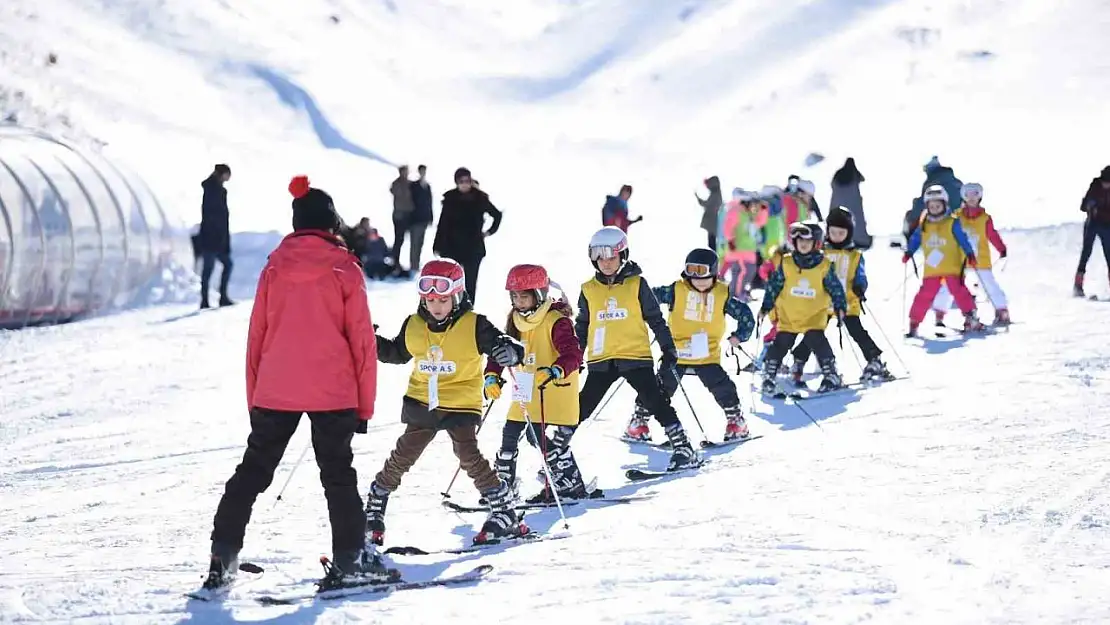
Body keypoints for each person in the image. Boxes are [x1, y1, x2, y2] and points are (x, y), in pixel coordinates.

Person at [204, 176, 380, 590]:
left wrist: (256, 398)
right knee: (337, 475)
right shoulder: (345, 267)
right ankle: (350, 560)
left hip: (275, 389)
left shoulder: (274, 267)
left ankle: (221, 554)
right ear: (330, 222)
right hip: (333, 390)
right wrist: (365, 406)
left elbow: (256, 337)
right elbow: (362, 342)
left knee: (252, 472)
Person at [363, 259, 526, 546]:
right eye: (430, 300)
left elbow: (503, 343)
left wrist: (509, 352)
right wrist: (369, 341)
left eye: (443, 300)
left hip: (461, 401)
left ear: (457, 296)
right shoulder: (414, 324)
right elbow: (397, 353)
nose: (436, 306)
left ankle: (502, 507)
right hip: (423, 400)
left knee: (467, 454)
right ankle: (376, 501)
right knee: (404, 454)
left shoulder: (474, 324)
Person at [573, 226, 700, 470]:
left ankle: (683, 446)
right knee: (583, 405)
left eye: (611, 257)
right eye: (600, 258)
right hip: (601, 359)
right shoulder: (588, 290)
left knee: (656, 399)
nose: (606, 263)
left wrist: (667, 347)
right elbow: (583, 325)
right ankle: (557, 451)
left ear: (623, 255)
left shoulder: (637, 284)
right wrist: (575, 355)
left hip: (635, 355)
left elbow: (655, 318)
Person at [483, 264, 590, 503]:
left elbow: (573, 353)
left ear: (539, 295)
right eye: (515, 297)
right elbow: (500, 350)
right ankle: (503, 485)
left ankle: (567, 479)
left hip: (553, 386)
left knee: (536, 436)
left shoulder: (556, 320)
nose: (519, 302)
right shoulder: (514, 319)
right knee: (510, 433)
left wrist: (555, 369)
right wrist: (491, 375)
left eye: (524, 296)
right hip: (525, 385)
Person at [628, 248, 755, 442]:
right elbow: (649, 298)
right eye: (693, 275)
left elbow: (745, 315)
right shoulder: (676, 290)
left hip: (707, 354)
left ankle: (736, 421)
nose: (698, 281)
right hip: (676, 352)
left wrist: (739, 336)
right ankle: (639, 421)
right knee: (659, 386)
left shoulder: (722, 294)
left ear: (713, 273)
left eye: (703, 275)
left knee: (722, 385)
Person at [790, 207, 893, 383]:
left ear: (849, 233)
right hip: (822, 304)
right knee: (814, 332)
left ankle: (874, 359)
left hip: (847, 302)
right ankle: (799, 359)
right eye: (833, 232)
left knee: (857, 331)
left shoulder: (855, 255)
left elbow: (861, 275)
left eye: (841, 232)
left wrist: (860, 287)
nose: (837, 236)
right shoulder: (821, 254)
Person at [757, 221, 848, 394]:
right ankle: (769, 374)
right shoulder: (787, 263)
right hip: (789, 316)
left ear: (816, 243)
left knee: (819, 343)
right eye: (799, 242)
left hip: (813, 316)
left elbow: (835, 288)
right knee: (781, 344)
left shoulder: (824, 266)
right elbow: (774, 286)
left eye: (807, 242)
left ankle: (831, 375)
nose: (803, 245)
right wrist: (765, 306)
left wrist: (840, 305)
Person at [903, 185, 985, 336]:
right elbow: (915, 239)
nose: (934, 208)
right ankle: (914, 322)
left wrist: (970, 254)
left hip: (952, 266)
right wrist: (909, 252)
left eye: (937, 205)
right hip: (932, 268)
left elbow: (962, 239)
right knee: (924, 295)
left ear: (944, 204)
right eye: (931, 206)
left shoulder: (952, 222)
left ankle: (971, 317)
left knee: (959, 292)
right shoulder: (924, 224)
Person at [931, 183, 1011, 325]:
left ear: (980, 196)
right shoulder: (956, 216)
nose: (972, 198)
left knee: (989, 284)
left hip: (980, 258)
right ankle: (939, 313)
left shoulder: (985, 218)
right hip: (959, 259)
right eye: (968, 194)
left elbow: (992, 235)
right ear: (964, 196)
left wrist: (1001, 248)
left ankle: (1002, 310)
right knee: (950, 285)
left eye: (975, 194)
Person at [432, 167, 503, 303]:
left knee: (470, 283)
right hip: (452, 246)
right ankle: (452, 310)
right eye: (461, 181)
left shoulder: (480, 198)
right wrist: (437, 245)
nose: (465, 184)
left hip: (473, 247)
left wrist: (489, 232)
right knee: (451, 282)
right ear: (457, 182)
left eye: (467, 180)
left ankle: (469, 312)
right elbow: (442, 224)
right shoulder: (450, 199)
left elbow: (497, 215)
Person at [720, 189, 768, 300]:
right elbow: (728, 227)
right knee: (741, 273)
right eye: (753, 204)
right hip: (738, 250)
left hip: (749, 249)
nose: (754, 206)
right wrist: (731, 240)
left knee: (749, 272)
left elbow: (760, 222)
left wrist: (763, 210)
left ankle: (738, 292)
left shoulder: (749, 214)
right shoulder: (736, 211)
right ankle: (735, 295)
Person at [198, 164, 234, 308]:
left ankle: (221, 297)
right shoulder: (213, 190)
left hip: (218, 238)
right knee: (208, 269)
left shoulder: (217, 190)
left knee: (226, 265)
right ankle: (206, 300)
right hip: (211, 237)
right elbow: (214, 216)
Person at [1075, 166, 1110, 297]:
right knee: (1086, 253)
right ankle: (1078, 285)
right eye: (1104, 182)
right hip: (1093, 224)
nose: (1106, 185)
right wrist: (1091, 205)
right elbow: (1083, 206)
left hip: (1107, 226)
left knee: (1109, 256)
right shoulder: (1095, 186)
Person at [830, 158, 872, 249]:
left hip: (838, 203)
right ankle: (857, 240)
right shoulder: (854, 174)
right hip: (853, 204)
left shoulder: (838, 174)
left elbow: (832, 184)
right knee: (855, 222)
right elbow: (863, 179)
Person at [389, 165, 415, 277]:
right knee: (399, 239)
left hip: (409, 215)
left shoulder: (410, 184)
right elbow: (397, 193)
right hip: (399, 215)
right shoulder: (397, 184)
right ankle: (395, 261)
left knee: (410, 240)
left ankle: (411, 262)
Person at [409, 164, 434, 272]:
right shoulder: (413, 185)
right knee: (414, 242)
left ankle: (417, 263)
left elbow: (429, 202)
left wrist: (431, 217)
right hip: (415, 219)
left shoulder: (427, 186)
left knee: (420, 242)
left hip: (424, 218)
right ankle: (413, 264)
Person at [696, 176, 723, 249]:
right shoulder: (717, 194)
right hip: (713, 220)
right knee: (712, 240)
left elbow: (706, 204)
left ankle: (713, 257)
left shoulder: (715, 195)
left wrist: (698, 198)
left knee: (711, 242)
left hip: (712, 220)